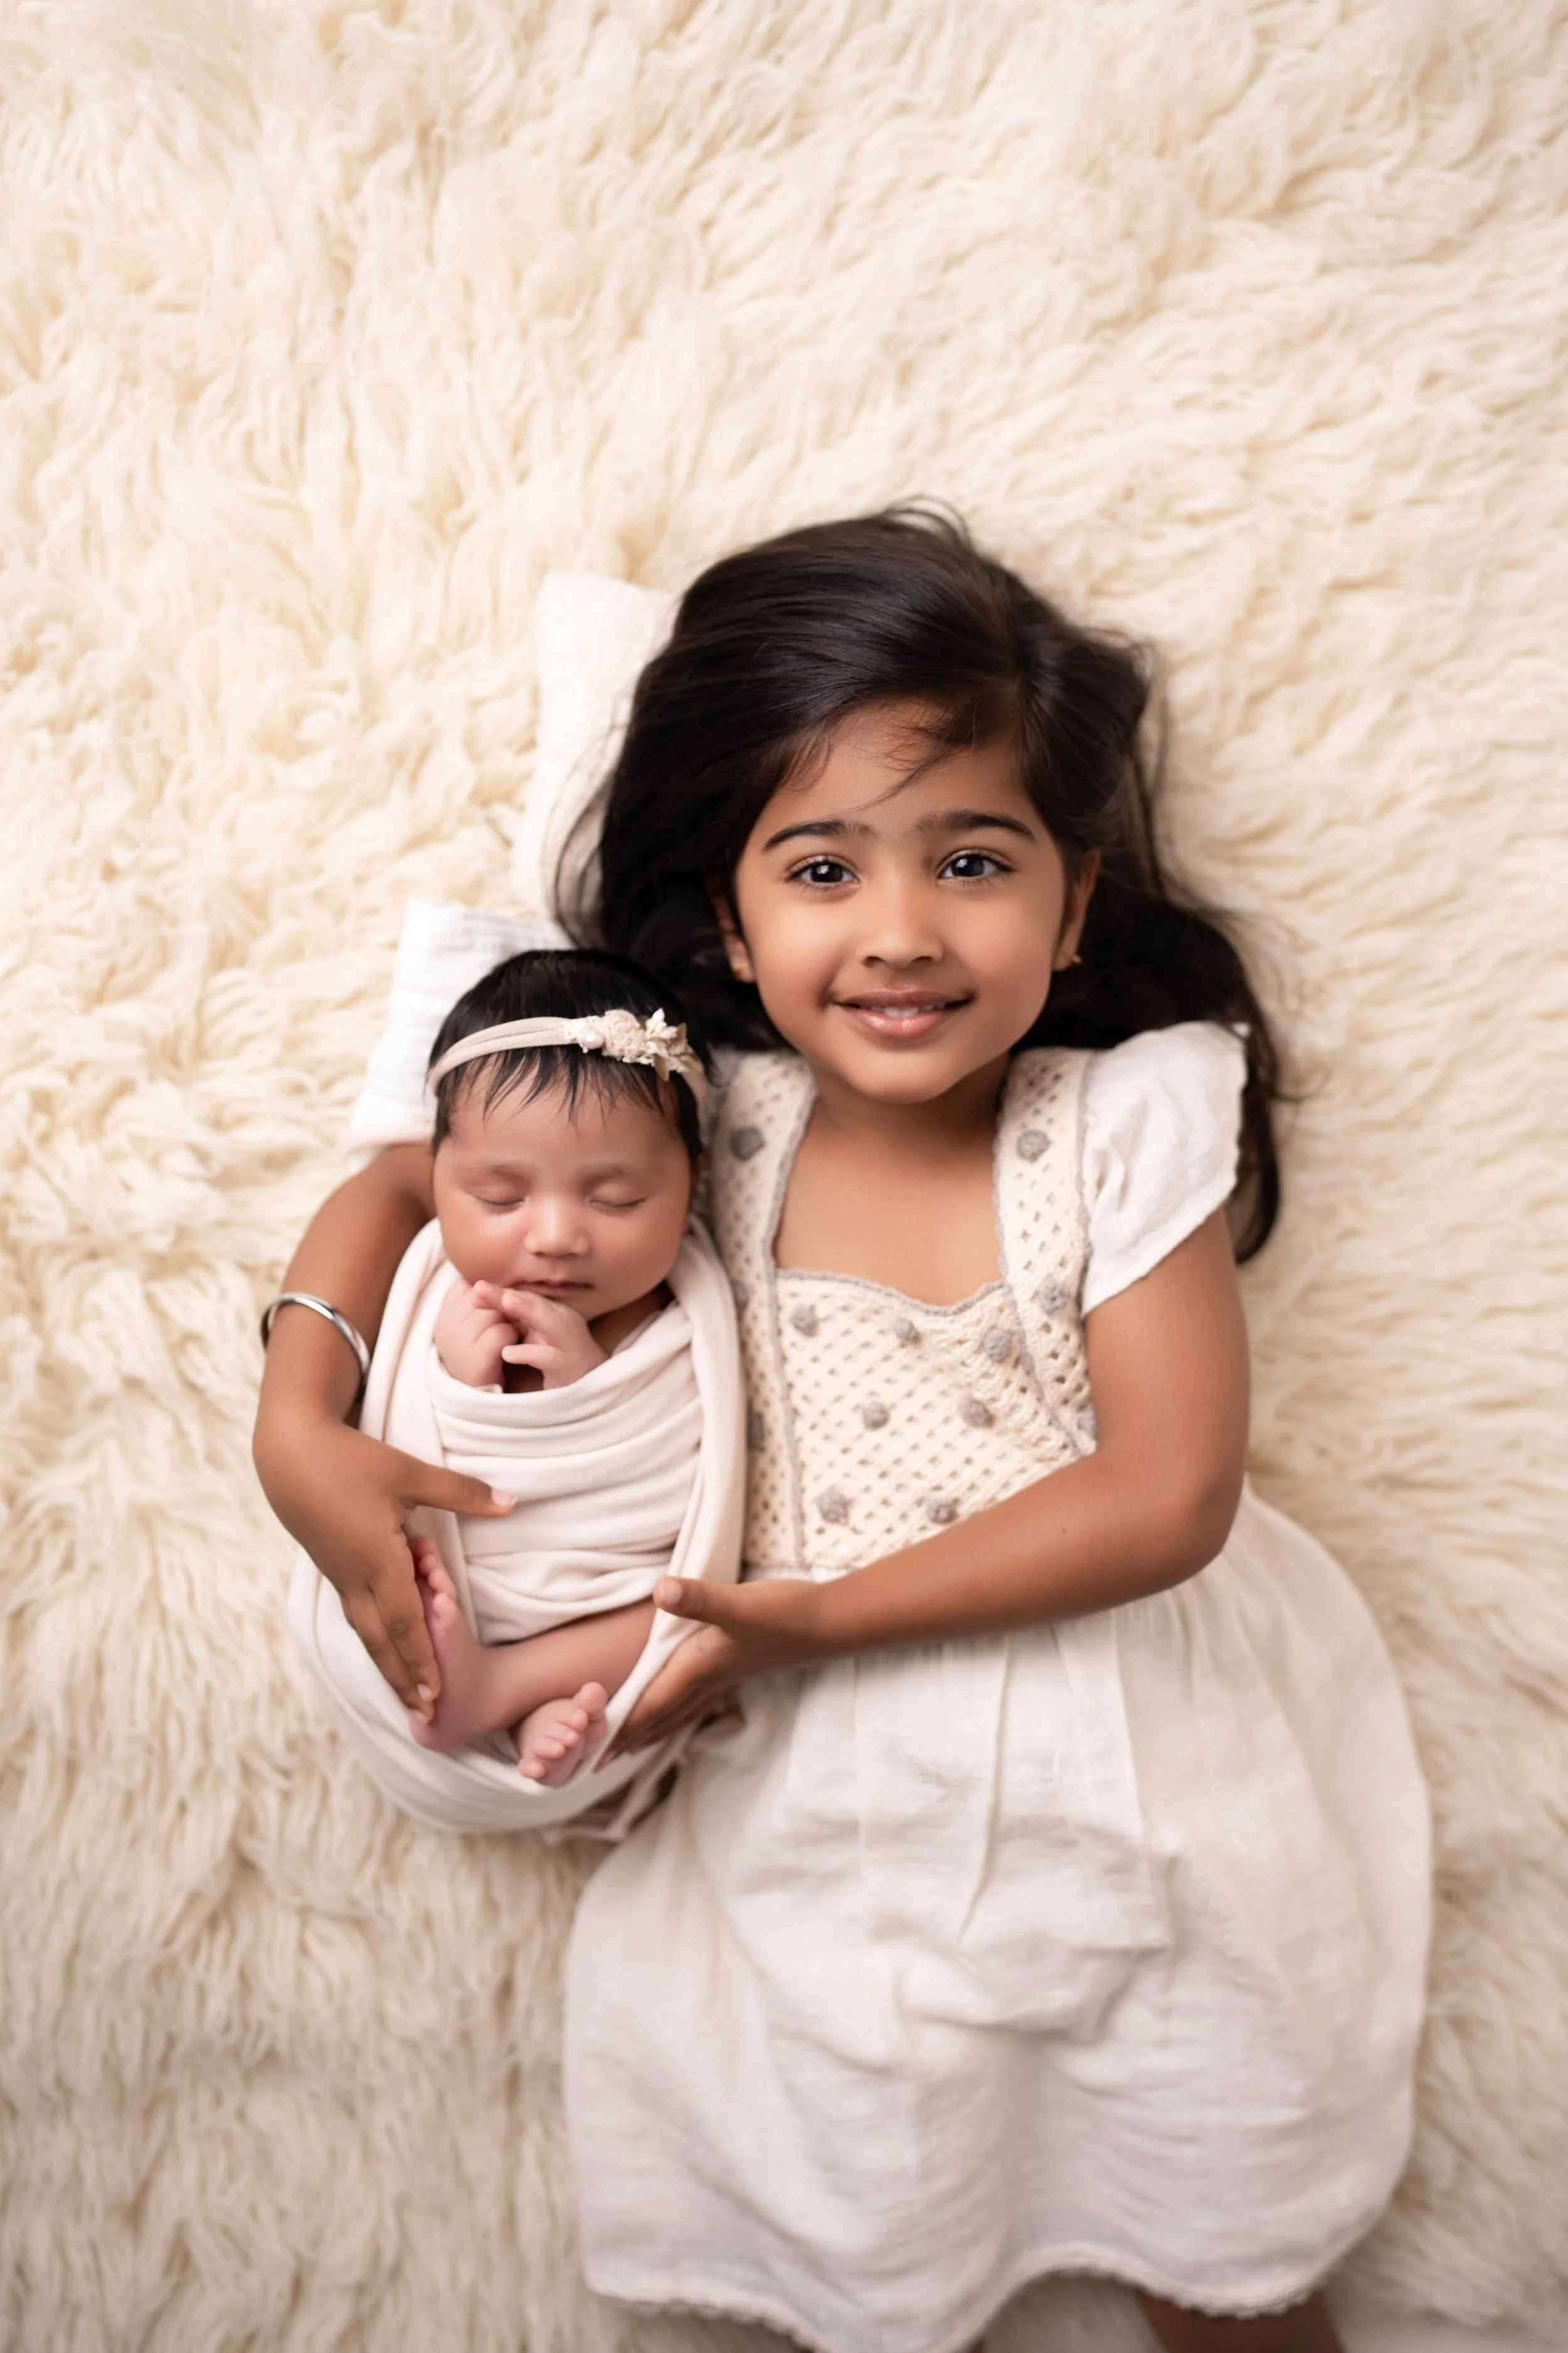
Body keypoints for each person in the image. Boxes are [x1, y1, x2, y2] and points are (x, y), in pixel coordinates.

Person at [253, 511, 1431, 2353]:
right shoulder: (699, 1107)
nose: (898, 932)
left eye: (970, 857)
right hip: (823, 1788)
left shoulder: (1120, 1117)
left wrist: (809, 1615)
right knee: (854, 2226)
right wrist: (294, 1418)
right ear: (729, 915)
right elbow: (406, 1175)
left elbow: (1168, 1488)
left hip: (1135, 1762)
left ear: (1072, 896)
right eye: (819, 867)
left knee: (1223, 2219)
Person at [280, 947, 744, 1830]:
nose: (559, 1235)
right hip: (454, 1587)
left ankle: (511, 1690)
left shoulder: (685, 1319)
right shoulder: (427, 1287)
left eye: (616, 1198)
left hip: (610, 1601)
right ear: (438, 1175)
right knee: (402, 1579)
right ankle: (506, 1694)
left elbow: (691, 1479)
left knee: (688, 1610)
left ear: (691, 1180)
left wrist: (583, 1388)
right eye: (499, 1195)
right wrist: (456, 1376)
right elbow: (400, 1433)